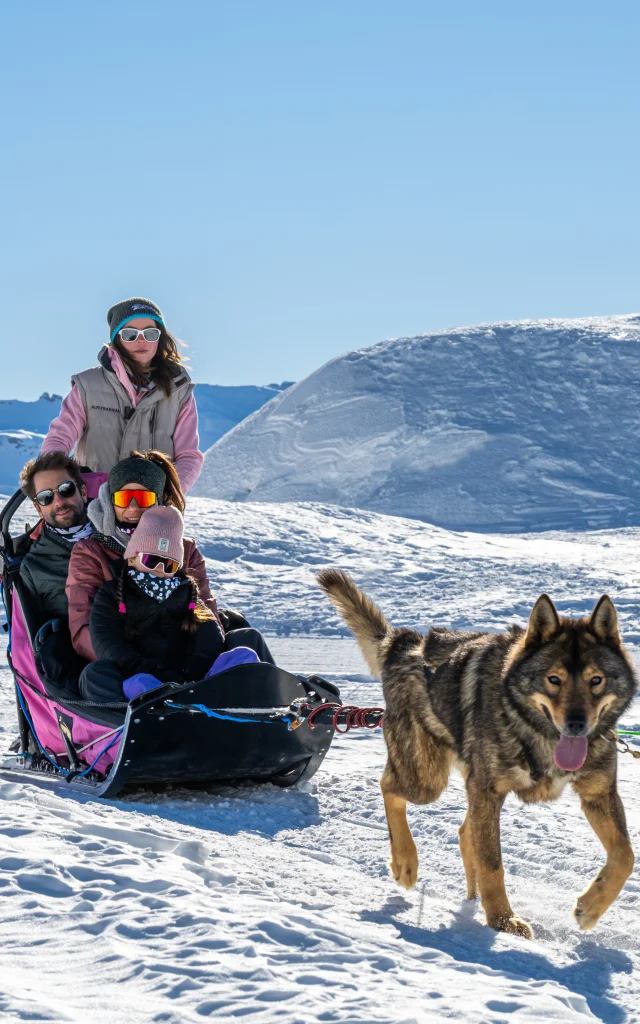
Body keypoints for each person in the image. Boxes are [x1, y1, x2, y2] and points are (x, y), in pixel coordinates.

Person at [80, 507, 275, 703]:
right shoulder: (112, 593)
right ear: (131, 558)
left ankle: (270, 705)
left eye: (169, 564)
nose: (159, 569)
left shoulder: (187, 592)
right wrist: (155, 672)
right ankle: (147, 715)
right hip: (142, 677)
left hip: (192, 679)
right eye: (150, 560)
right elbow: (107, 643)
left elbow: (210, 637)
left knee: (244, 655)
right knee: (98, 675)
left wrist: (189, 673)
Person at [66, 450, 220, 662]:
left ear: (159, 501)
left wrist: (198, 663)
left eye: (143, 498)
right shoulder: (92, 552)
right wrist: (134, 665)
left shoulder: (184, 549)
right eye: (123, 497)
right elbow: (83, 626)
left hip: (184, 661)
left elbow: (206, 613)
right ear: (110, 502)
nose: (133, 508)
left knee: (246, 638)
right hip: (124, 665)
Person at [40, 297, 203, 493]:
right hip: (92, 501)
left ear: (160, 338)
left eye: (150, 333)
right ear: (117, 339)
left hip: (149, 504)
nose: (141, 340)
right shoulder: (88, 385)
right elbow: (61, 437)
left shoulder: (179, 392)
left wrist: (171, 496)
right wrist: (51, 477)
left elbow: (188, 455)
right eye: (130, 334)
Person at [18, 452, 92, 629]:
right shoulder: (34, 566)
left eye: (66, 489)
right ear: (38, 508)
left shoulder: (116, 537)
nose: (58, 502)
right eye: (46, 497)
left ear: (82, 492)